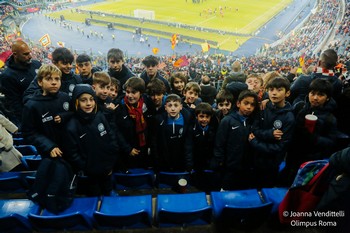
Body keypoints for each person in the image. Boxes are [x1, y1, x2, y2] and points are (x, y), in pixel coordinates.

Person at [63, 84, 119, 196]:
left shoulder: (100, 116)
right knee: (95, 197)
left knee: (108, 193)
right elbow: (73, 153)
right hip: (90, 175)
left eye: (91, 99)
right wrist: (86, 167)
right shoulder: (71, 126)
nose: (89, 103)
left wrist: (111, 161)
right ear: (76, 102)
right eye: (83, 100)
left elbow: (111, 137)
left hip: (107, 168)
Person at [282, 79, 338, 185]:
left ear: (328, 98)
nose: (315, 98)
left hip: (311, 160)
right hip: (293, 156)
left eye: (320, 95)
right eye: (312, 93)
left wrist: (314, 138)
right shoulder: (300, 107)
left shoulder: (330, 118)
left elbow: (331, 142)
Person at [249, 77, 295, 188]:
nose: (274, 93)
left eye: (279, 90)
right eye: (271, 89)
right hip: (254, 160)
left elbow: (280, 147)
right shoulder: (263, 108)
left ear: (287, 93)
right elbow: (254, 129)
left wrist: (255, 142)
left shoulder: (289, 118)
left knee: (266, 191)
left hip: (271, 164)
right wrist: (270, 134)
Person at [212, 90, 258, 190]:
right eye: (246, 103)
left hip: (246, 168)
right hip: (229, 168)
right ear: (238, 103)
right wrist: (220, 163)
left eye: (252, 105)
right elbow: (219, 144)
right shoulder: (227, 121)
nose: (249, 107)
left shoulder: (254, 121)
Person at [22, 64, 71, 159]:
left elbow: (74, 115)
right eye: (49, 79)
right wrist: (48, 146)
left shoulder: (65, 98)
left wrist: (64, 116)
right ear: (40, 82)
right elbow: (28, 133)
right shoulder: (31, 105)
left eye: (57, 79)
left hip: (71, 149)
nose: (54, 83)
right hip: (50, 153)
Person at [0, 40, 41, 128]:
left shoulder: (37, 64)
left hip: (45, 109)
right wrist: (28, 121)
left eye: (29, 53)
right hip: (30, 116)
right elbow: (14, 103)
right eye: (25, 54)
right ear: (15, 54)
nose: (30, 56)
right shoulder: (7, 76)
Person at [114, 77, 153, 170]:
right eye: (127, 92)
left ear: (141, 93)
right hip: (127, 150)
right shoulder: (119, 106)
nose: (130, 95)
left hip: (143, 147)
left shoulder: (147, 103)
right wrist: (127, 148)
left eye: (133, 92)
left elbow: (151, 126)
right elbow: (116, 131)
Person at [152, 94, 193, 172]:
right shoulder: (159, 120)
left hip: (180, 159)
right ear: (165, 108)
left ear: (181, 107)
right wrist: (156, 162)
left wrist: (188, 164)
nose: (173, 108)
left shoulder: (187, 119)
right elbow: (155, 142)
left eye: (176, 105)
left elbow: (188, 144)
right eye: (170, 106)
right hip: (164, 159)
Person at [192, 102, 218, 171]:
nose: (204, 119)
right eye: (201, 116)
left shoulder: (214, 130)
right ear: (196, 116)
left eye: (207, 117)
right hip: (196, 163)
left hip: (209, 162)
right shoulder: (192, 130)